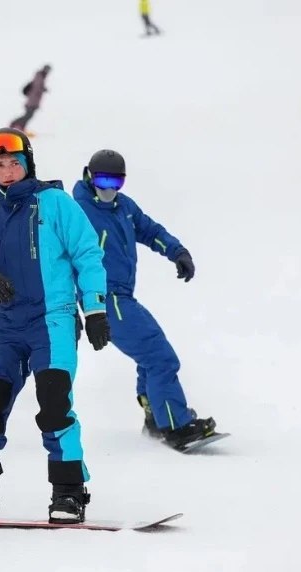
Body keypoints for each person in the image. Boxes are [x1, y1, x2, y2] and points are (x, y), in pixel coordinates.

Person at [0, 128, 110, 524]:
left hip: (53, 319)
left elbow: (87, 254)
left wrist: (95, 310)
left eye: (14, 163)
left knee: (54, 406)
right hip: (7, 325)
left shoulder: (56, 203)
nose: (7, 171)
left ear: (28, 164)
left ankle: (69, 492)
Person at [72, 150, 218, 452]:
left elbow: (150, 231)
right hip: (103, 299)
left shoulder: (123, 207)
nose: (109, 188)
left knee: (149, 354)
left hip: (123, 296)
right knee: (159, 356)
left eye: (116, 182)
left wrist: (177, 252)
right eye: (103, 180)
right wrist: (71, 306)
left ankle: (156, 416)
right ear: (89, 176)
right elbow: (61, 258)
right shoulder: (79, 212)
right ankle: (176, 426)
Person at [9, 65, 50, 133]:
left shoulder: (41, 77)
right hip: (32, 101)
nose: (47, 72)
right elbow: (37, 87)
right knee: (28, 115)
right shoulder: (39, 76)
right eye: (47, 70)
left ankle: (21, 128)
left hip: (34, 101)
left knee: (29, 116)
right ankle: (13, 123)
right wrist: (43, 89)